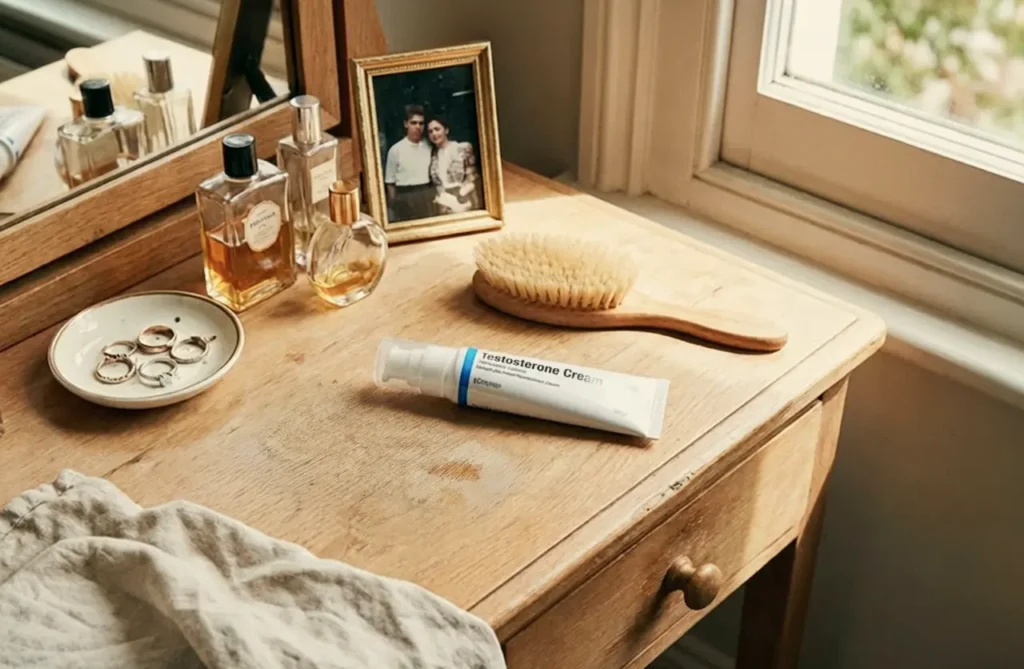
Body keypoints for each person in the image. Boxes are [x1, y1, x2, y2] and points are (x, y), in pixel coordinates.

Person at [383, 104, 434, 221]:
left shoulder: (429, 146)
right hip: (404, 197)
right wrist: (395, 205)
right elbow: (390, 182)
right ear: (406, 124)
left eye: (421, 123)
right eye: (413, 123)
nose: (417, 127)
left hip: (426, 195)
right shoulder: (395, 150)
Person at [426, 114, 481, 215]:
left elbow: (473, 178)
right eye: (430, 131)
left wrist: (460, 194)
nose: (434, 133)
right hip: (443, 204)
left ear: (446, 130)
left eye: (437, 129)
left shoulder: (462, 148)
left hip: (464, 200)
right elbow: (438, 183)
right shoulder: (433, 155)